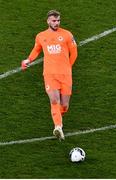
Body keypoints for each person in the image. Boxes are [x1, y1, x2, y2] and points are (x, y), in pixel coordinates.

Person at [21, 10, 77, 140]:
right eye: (54, 21)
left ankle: (58, 116)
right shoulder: (41, 36)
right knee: (54, 100)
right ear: (48, 21)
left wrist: (68, 67)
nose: (56, 23)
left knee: (64, 105)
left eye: (58, 21)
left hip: (65, 74)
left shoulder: (67, 34)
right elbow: (36, 49)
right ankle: (58, 126)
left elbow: (74, 53)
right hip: (50, 73)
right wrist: (28, 60)